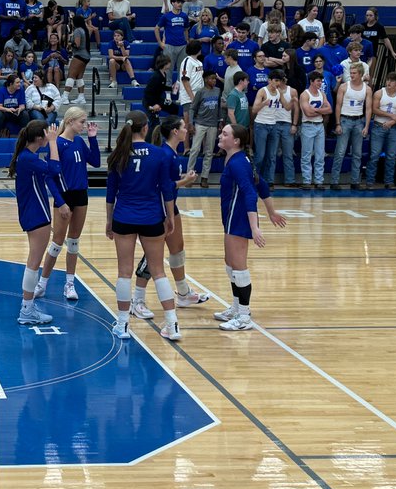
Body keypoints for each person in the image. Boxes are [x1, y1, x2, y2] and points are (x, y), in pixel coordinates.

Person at [105, 110, 179, 340]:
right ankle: (172, 325)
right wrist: (171, 217)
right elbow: (167, 190)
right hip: (152, 217)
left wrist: (109, 221)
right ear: (146, 128)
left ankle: (123, 324)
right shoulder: (159, 154)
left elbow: (110, 194)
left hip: (124, 217)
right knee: (158, 271)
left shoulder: (118, 154)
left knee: (124, 272)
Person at [212, 123, 287, 331]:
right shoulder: (239, 159)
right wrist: (271, 211)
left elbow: (251, 193)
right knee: (230, 264)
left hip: (239, 219)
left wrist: (255, 227)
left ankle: (244, 316)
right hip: (231, 218)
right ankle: (236, 307)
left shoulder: (238, 163)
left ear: (236, 141)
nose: (220, 135)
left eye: (225, 134)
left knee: (239, 267)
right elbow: (261, 183)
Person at [31, 107, 100, 302]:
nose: (85, 125)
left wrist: (92, 138)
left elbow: (95, 161)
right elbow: (50, 178)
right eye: (82, 122)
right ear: (70, 121)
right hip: (64, 197)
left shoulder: (78, 141)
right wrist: (60, 203)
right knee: (57, 242)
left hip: (81, 195)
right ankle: (42, 283)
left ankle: (69, 284)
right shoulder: (58, 144)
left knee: (74, 242)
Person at [149, 116, 211, 306]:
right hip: (159, 209)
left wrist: (184, 177)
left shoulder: (173, 154)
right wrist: (186, 181)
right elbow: (164, 186)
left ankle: (183, 293)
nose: (187, 130)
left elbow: (170, 181)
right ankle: (138, 297)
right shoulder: (165, 154)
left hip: (172, 206)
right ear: (175, 131)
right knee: (152, 256)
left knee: (177, 250)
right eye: (184, 127)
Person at [8, 121, 64, 325]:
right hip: (36, 214)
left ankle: (28, 307)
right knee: (33, 263)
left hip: (32, 213)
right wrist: (54, 142)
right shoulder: (28, 159)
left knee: (33, 262)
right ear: (40, 138)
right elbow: (56, 168)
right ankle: (27, 309)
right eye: (46, 136)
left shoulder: (27, 157)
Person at [251, 69, 296, 188]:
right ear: (269, 80)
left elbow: (286, 107)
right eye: (275, 81)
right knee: (260, 155)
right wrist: (263, 103)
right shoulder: (262, 91)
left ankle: (268, 181)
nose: (277, 83)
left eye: (279, 81)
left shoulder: (279, 92)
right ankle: (254, 178)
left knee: (271, 155)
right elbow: (254, 110)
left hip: (273, 125)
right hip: (261, 125)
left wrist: (292, 100)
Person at [331, 64, 371, 190]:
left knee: (357, 153)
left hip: (359, 121)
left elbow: (369, 109)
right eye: (351, 72)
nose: (351, 75)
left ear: (360, 74)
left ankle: (355, 181)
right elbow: (338, 106)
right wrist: (337, 123)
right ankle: (334, 181)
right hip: (345, 120)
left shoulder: (367, 89)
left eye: (354, 73)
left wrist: (367, 126)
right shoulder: (344, 86)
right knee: (340, 152)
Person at [187, 68, 223, 186]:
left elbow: (219, 107)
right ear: (206, 80)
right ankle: (189, 176)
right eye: (212, 78)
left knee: (209, 152)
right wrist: (191, 123)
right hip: (200, 123)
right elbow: (192, 108)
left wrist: (220, 121)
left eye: (214, 78)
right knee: (195, 150)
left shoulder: (218, 91)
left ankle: (204, 177)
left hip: (213, 125)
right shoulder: (200, 92)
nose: (214, 80)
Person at [299, 71, 332, 189]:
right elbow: (307, 113)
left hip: (319, 126)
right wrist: (321, 110)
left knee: (320, 155)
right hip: (308, 125)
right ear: (311, 82)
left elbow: (329, 110)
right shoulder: (305, 94)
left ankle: (319, 181)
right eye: (318, 81)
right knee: (306, 155)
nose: (320, 83)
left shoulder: (322, 94)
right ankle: (307, 181)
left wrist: (316, 110)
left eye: (321, 81)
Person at [155, 0, 189, 87]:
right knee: (168, 70)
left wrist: (187, 41)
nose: (180, 4)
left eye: (181, 2)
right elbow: (157, 28)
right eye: (178, 2)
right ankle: (168, 94)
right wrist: (160, 43)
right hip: (169, 45)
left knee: (182, 70)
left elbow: (186, 29)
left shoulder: (184, 16)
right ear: (172, 3)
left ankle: (180, 91)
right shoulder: (166, 16)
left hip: (182, 46)